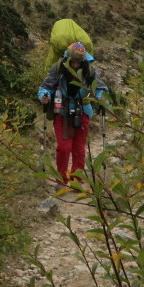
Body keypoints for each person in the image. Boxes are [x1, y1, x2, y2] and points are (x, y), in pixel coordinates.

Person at [38, 41, 107, 184]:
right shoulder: (58, 68)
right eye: (73, 62)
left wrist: (102, 99)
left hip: (82, 110)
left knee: (79, 148)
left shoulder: (90, 71)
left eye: (78, 62)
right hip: (61, 110)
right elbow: (46, 86)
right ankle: (61, 179)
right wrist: (44, 95)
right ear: (67, 60)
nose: (75, 65)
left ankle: (77, 180)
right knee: (64, 147)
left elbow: (100, 89)